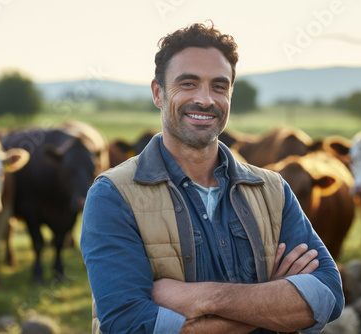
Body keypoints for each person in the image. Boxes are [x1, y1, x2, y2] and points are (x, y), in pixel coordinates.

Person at [81, 22, 344, 334]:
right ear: (158, 93)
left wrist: (201, 299)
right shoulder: (114, 195)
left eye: (219, 86)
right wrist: (270, 303)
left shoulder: (273, 190)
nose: (205, 100)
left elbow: (328, 295)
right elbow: (128, 326)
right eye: (188, 84)